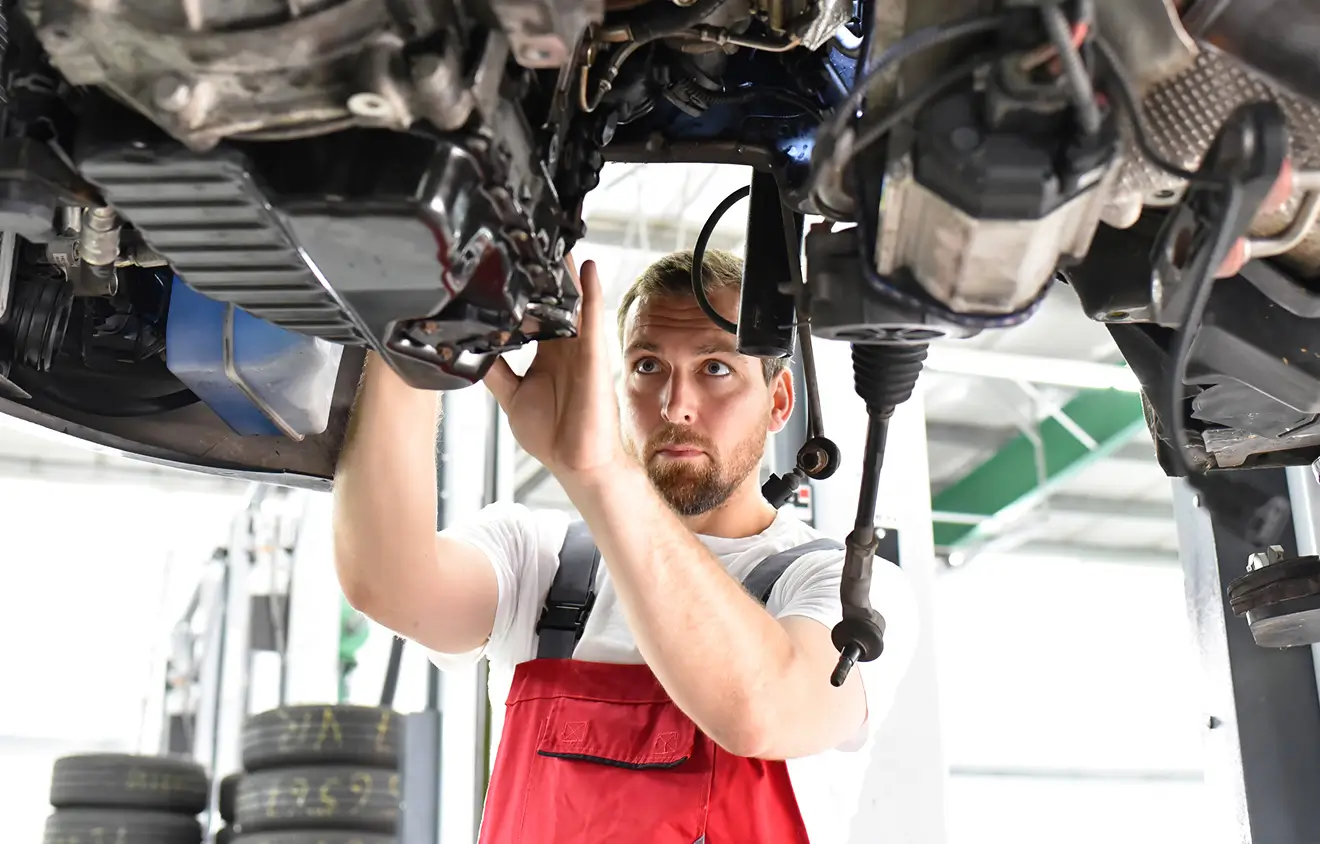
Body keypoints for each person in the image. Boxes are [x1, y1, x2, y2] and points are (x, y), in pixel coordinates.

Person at [333, 248, 920, 843]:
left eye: (715, 368)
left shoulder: (843, 589)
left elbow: (761, 709)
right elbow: (387, 581)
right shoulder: (541, 562)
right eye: (647, 366)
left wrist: (601, 471)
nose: (675, 405)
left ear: (778, 401)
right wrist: (414, 336)